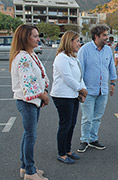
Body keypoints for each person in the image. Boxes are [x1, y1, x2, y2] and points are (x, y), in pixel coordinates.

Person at [10, 24, 49, 180]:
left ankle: (25, 167)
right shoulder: (23, 57)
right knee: (30, 136)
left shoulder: (30, 54)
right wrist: (43, 96)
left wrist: (44, 90)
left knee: (28, 135)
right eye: (34, 36)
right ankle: (30, 172)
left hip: (33, 101)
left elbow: (40, 75)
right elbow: (28, 84)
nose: (38, 39)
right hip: (28, 102)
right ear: (25, 38)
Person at [77, 24, 117, 153]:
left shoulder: (108, 50)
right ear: (96, 36)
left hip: (103, 90)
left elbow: (111, 67)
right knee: (87, 117)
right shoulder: (85, 50)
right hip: (88, 91)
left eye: (107, 35)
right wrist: (81, 89)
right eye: (104, 35)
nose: (107, 37)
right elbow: (79, 70)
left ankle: (93, 139)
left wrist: (112, 83)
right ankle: (84, 140)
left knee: (97, 117)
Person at [50, 31, 88, 164]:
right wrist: (81, 90)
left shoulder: (73, 57)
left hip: (73, 95)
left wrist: (83, 92)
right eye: (77, 41)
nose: (79, 44)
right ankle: (61, 153)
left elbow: (79, 76)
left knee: (72, 124)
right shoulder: (61, 58)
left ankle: (68, 150)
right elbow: (68, 78)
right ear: (69, 42)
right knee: (65, 124)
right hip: (62, 96)